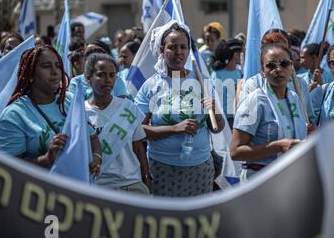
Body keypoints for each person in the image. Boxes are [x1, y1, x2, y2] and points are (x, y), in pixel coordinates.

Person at [135, 21, 224, 197]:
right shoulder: (151, 86)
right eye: (172, 47)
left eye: (184, 47)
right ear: (162, 50)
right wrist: (174, 129)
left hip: (201, 168)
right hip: (163, 168)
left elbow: (216, 128)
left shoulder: (201, 81)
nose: (179, 52)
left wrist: (215, 112)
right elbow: (137, 130)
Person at [0, 46, 101, 175]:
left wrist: (96, 159)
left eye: (58, 65)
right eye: (46, 66)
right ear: (30, 74)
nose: (55, 72)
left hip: (77, 190)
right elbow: (9, 168)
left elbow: (93, 138)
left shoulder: (70, 101)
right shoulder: (14, 115)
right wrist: (46, 158)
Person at [231, 43, 308, 181]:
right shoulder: (255, 101)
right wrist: (276, 147)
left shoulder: (294, 98)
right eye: (271, 65)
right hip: (260, 181)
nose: (278, 69)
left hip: (291, 179)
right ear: (262, 71)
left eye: (284, 64)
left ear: (292, 67)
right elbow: (235, 152)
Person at [84, 53, 151, 194]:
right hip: (98, 186)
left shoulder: (128, 107)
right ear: (89, 79)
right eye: (101, 75)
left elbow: (138, 147)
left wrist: (146, 176)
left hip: (131, 182)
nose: (107, 80)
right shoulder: (81, 112)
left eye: (112, 75)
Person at [210, 39, 243, 128]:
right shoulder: (217, 74)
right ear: (236, 55)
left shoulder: (240, 72)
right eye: (241, 53)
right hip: (224, 120)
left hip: (238, 118)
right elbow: (215, 98)